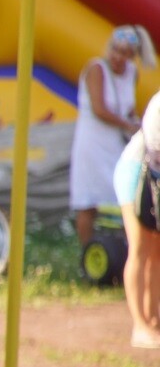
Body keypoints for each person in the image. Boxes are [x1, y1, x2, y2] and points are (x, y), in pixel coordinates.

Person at [70, 25, 157, 247]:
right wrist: (128, 125)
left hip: (117, 145)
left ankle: (117, 249)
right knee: (88, 201)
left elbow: (125, 106)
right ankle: (86, 250)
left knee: (121, 199)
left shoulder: (131, 73)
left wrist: (134, 121)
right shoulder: (96, 69)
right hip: (92, 144)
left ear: (132, 56)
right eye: (115, 50)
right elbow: (99, 109)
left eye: (124, 53)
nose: (118, 57)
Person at [113, 91, 160, 349]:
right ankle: (139, 326)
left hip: (156, 178)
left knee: (157, 253)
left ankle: (154, 320)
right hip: (138, 174)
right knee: (140, 247)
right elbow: (155, 146)